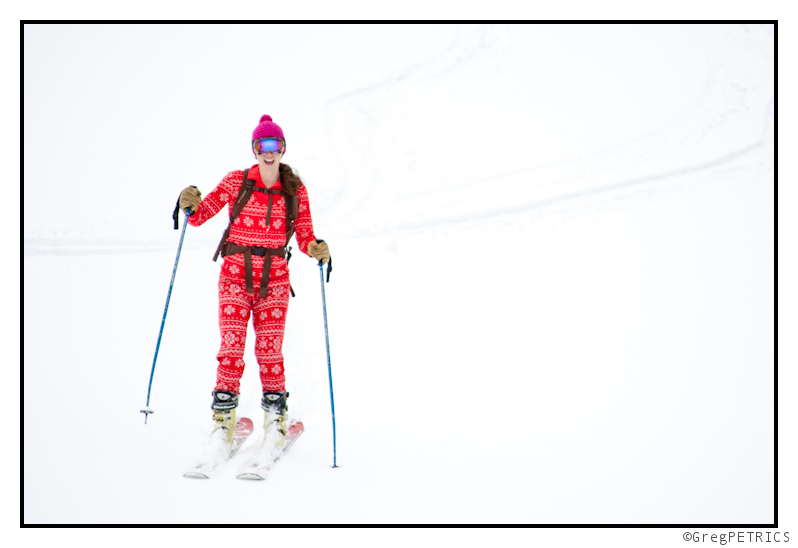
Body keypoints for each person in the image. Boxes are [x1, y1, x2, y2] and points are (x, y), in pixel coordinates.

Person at [177, 114, 330, 445]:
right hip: (234, 276)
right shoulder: (236, 182)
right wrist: (188, 202)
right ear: (255, 149)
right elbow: (200, 216)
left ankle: (276, 420)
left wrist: (316, 248)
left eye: (274, 145)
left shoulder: (294, 190)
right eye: (263, 145)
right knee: (231, 348)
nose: (269, 152)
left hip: (274, 282)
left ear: (283, 149)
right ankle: (223, 421)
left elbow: (304, 235)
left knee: (269, 350)